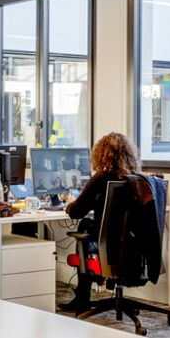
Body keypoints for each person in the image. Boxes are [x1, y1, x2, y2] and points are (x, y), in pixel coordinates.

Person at [60, 131, 139, 314]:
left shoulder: (101, 178)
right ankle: (94, 286)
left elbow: (76, 212)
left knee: (84, 225)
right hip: (132, 250)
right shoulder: (137, 179)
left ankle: (82, 298)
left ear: (101, 155)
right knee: (88, 225)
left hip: (108, 248)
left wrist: (68, 205)